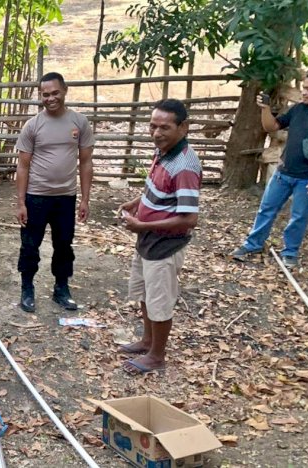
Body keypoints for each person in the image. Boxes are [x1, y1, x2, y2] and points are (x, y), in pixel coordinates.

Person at [118, 98, 201, 375]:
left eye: (164, 127)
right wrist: (137, 202)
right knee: (146, 293)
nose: (157, 133)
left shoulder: (185, 165)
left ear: (184, 127)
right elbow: (158, 189)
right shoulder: (164, 151)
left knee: (160, 300)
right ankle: (147, 340)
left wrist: (143, 225)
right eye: (152, 126)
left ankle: (157, 356)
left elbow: (190, 218)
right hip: (149, 239)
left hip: (165, 243)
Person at [15, 72, 94, 314]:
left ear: (65, 90)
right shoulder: (33, 125)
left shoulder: (79, 123)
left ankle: (61, 288)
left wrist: (85, 199)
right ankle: (27, 289)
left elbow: (86, 162)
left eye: (55, 93)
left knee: (63, 245)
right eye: (45, 94)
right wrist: (21, 203)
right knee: (30, 245)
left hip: (65, 198)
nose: (50, 98)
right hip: (36, 197)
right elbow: (23, 165)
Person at [229, 72, 308, 269]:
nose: (303, 92)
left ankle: (290, 253)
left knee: (299, 217)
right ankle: (253, 245)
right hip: (283, 172)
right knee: (266, 209)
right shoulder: (298, 110)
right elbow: (272, 126)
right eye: (303, 88)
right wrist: (265, 108)